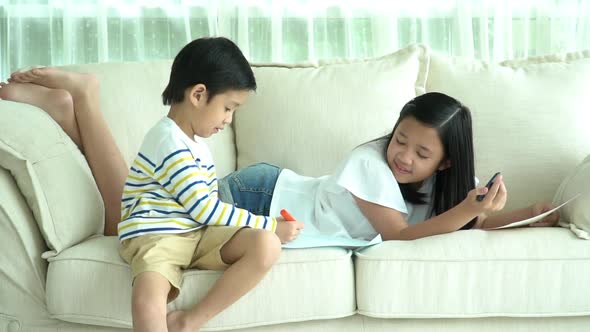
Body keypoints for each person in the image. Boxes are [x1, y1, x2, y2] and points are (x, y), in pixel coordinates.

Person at [1, 37, 303, 332]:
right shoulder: (170, 140)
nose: (228, 119)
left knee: (265, 245)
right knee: (147, 297)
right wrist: (268, 224)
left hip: (194, 232)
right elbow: (204, 209)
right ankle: (79, 103)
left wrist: (265, 233)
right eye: (228, 108)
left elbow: (204, 211)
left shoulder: (194, 142)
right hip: (158, 234)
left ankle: (189, 321)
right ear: (198, 95)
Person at [218, 92, 560, 243]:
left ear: (447, 163)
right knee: (172, 221)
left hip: (273, 206)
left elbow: (475, 223)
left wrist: (529, 214)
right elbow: (398, 235)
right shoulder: (370, 161)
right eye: (400, 139)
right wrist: (468, 209)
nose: (404, 156)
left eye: (422, 153)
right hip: (262, 195)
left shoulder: (452, 184)